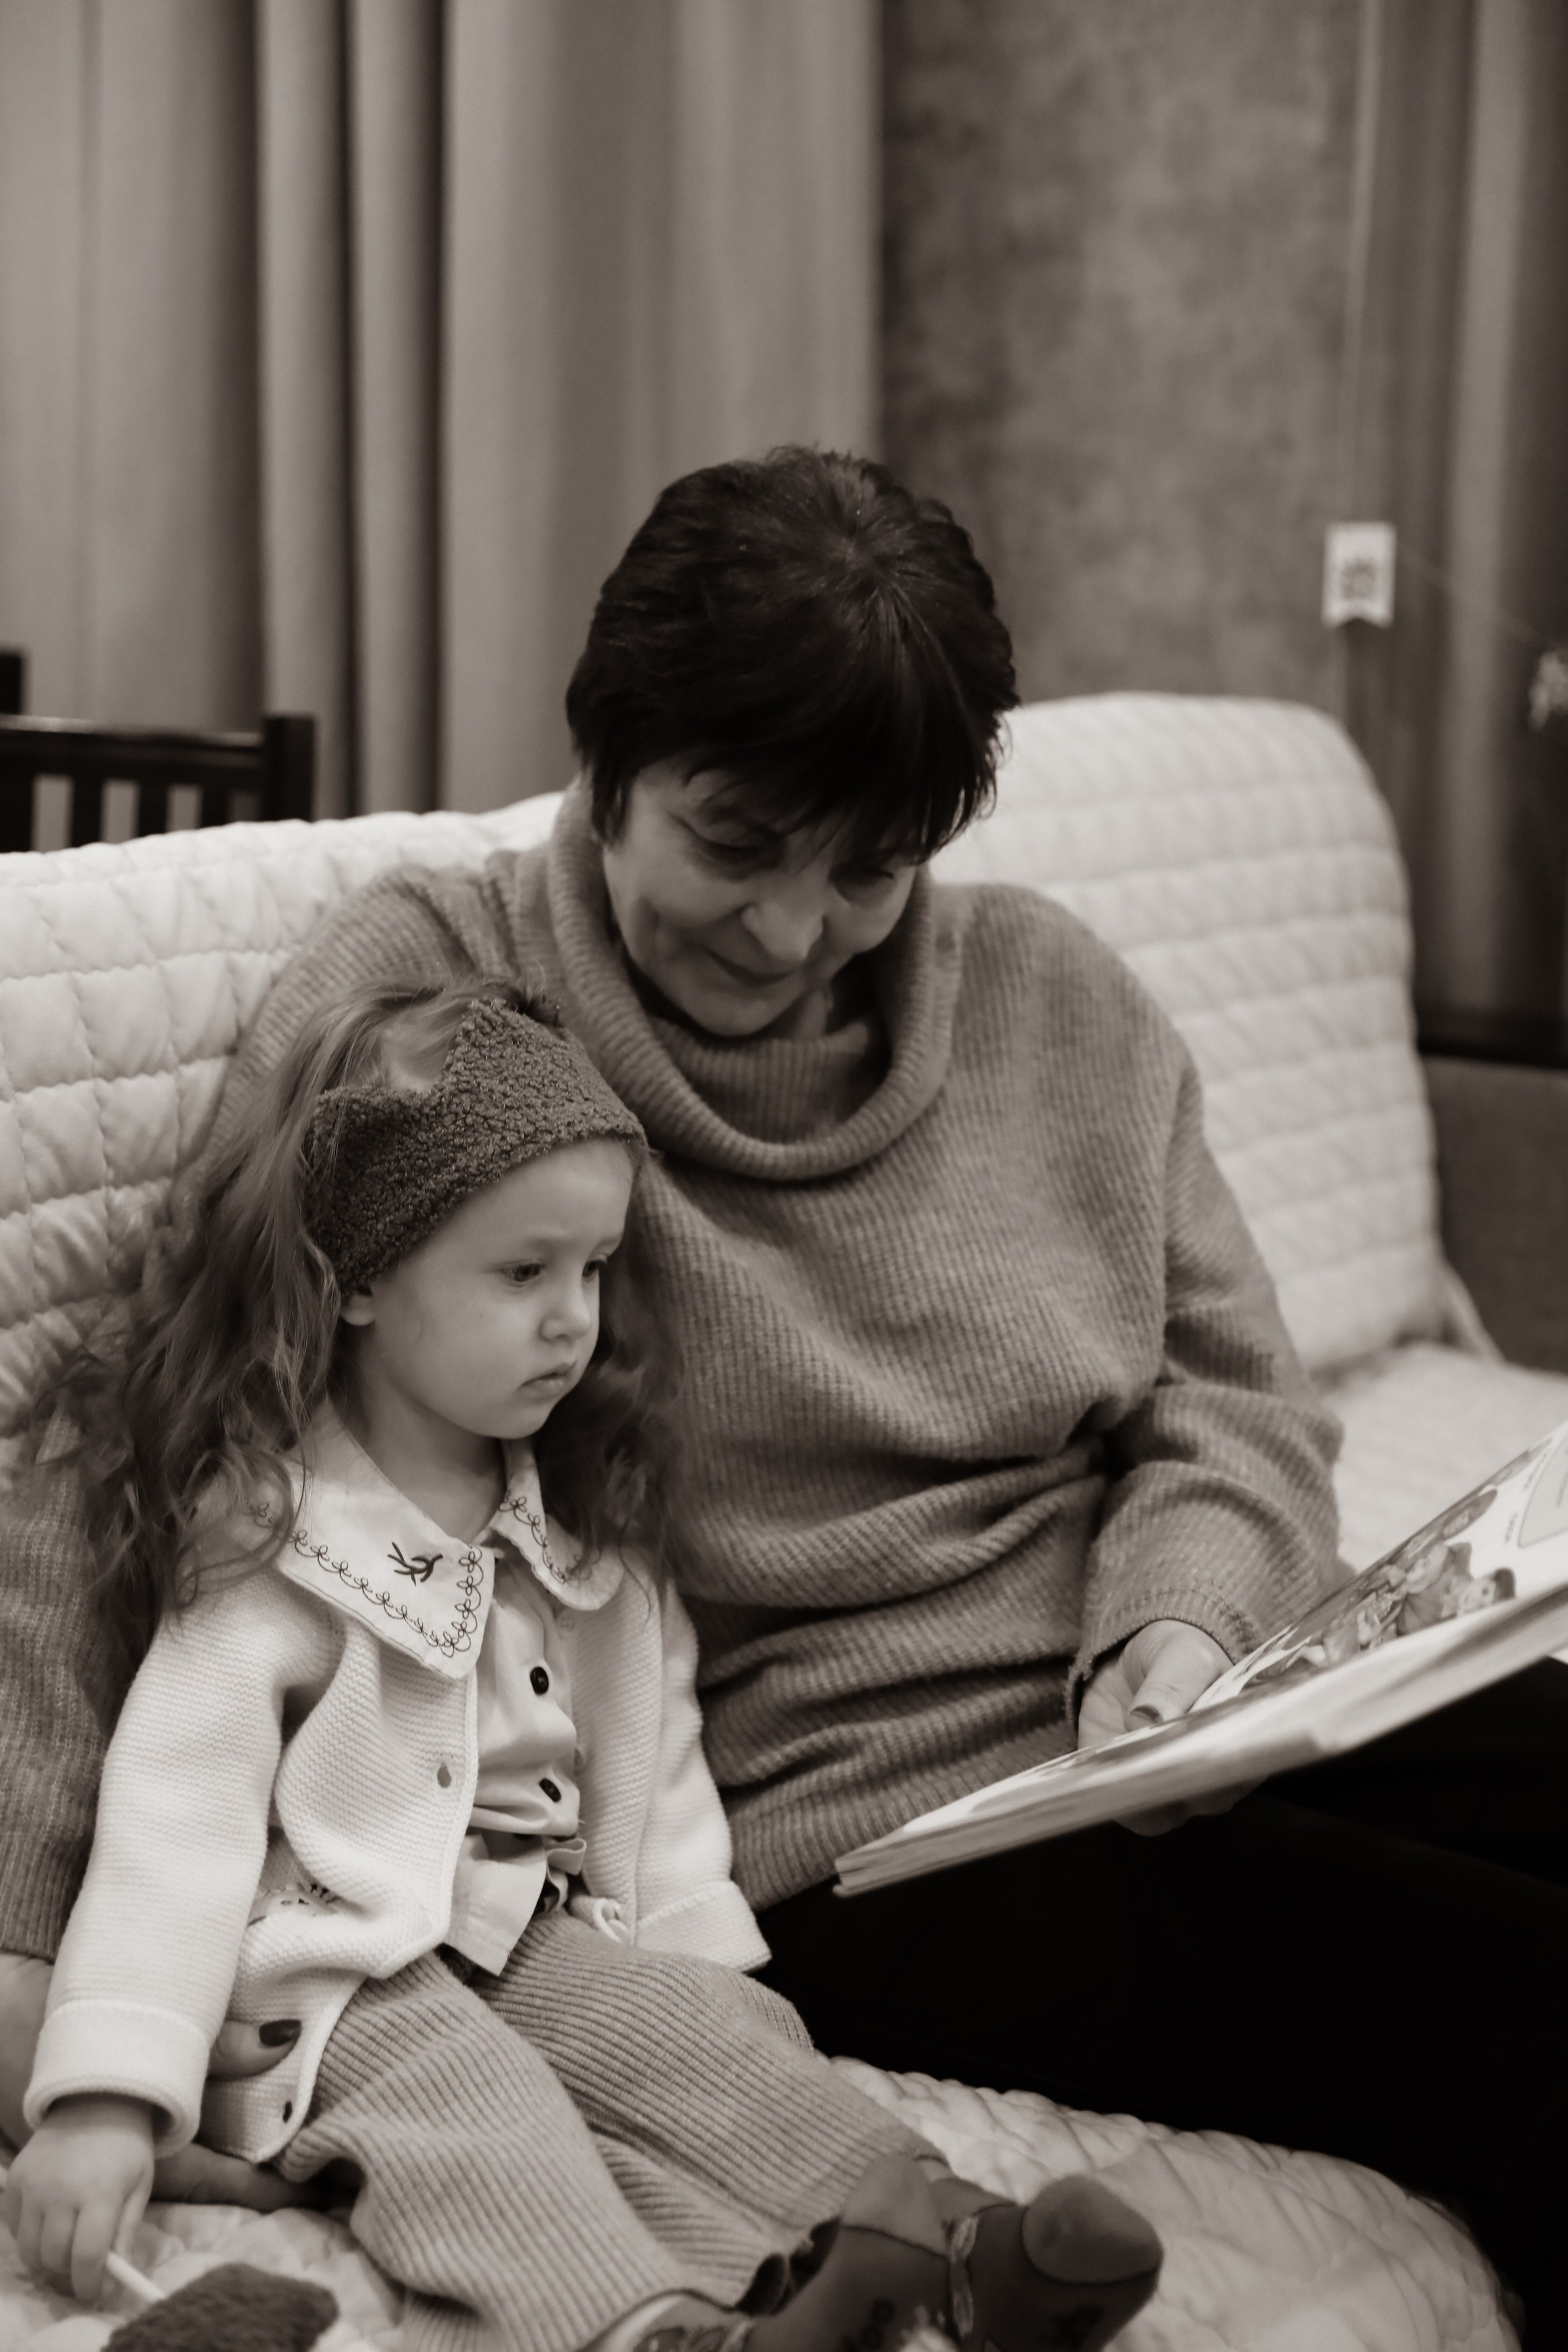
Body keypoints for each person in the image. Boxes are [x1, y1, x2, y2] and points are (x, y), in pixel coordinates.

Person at [1, 446, 1564, 2334]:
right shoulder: (444, 1002)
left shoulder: (1058, 999)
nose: (792, 928)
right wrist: (41, 1961)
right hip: (874, 1832)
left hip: (1185, 1711)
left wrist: (1178, 1628)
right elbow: (158, 1403)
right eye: (734, 842)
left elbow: (1234, 1398)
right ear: (606, 760)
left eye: (873, 869)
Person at [1, 980, 1163, 2352]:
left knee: (705, 2058)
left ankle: (956, 2246)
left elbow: (647, 1771)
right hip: (320, 1975)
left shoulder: (573, 1516)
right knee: (477, 2120)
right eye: (520, 1273)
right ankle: (651, 2331)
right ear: (357, 1275)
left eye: (594, 1269)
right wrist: (106, 2096)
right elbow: (173, 1829)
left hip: (523, 1931)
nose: (574, 1320)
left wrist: (700, 1977)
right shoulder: (271, 1535)